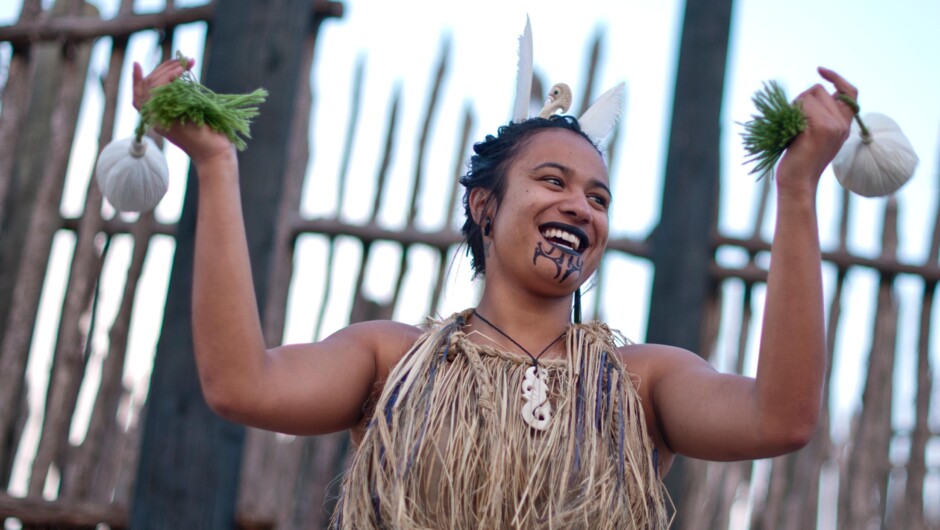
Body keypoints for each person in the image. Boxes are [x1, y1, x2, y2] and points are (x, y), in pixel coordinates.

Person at [133, 54, 857, 528]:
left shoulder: (639, 383)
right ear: (485, 205)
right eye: (553, 182)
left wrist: (797, 190)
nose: (581, 206)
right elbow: (240, 384)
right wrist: (216, 166)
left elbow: (781, 417)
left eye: (599, 198)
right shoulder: (393, 361)